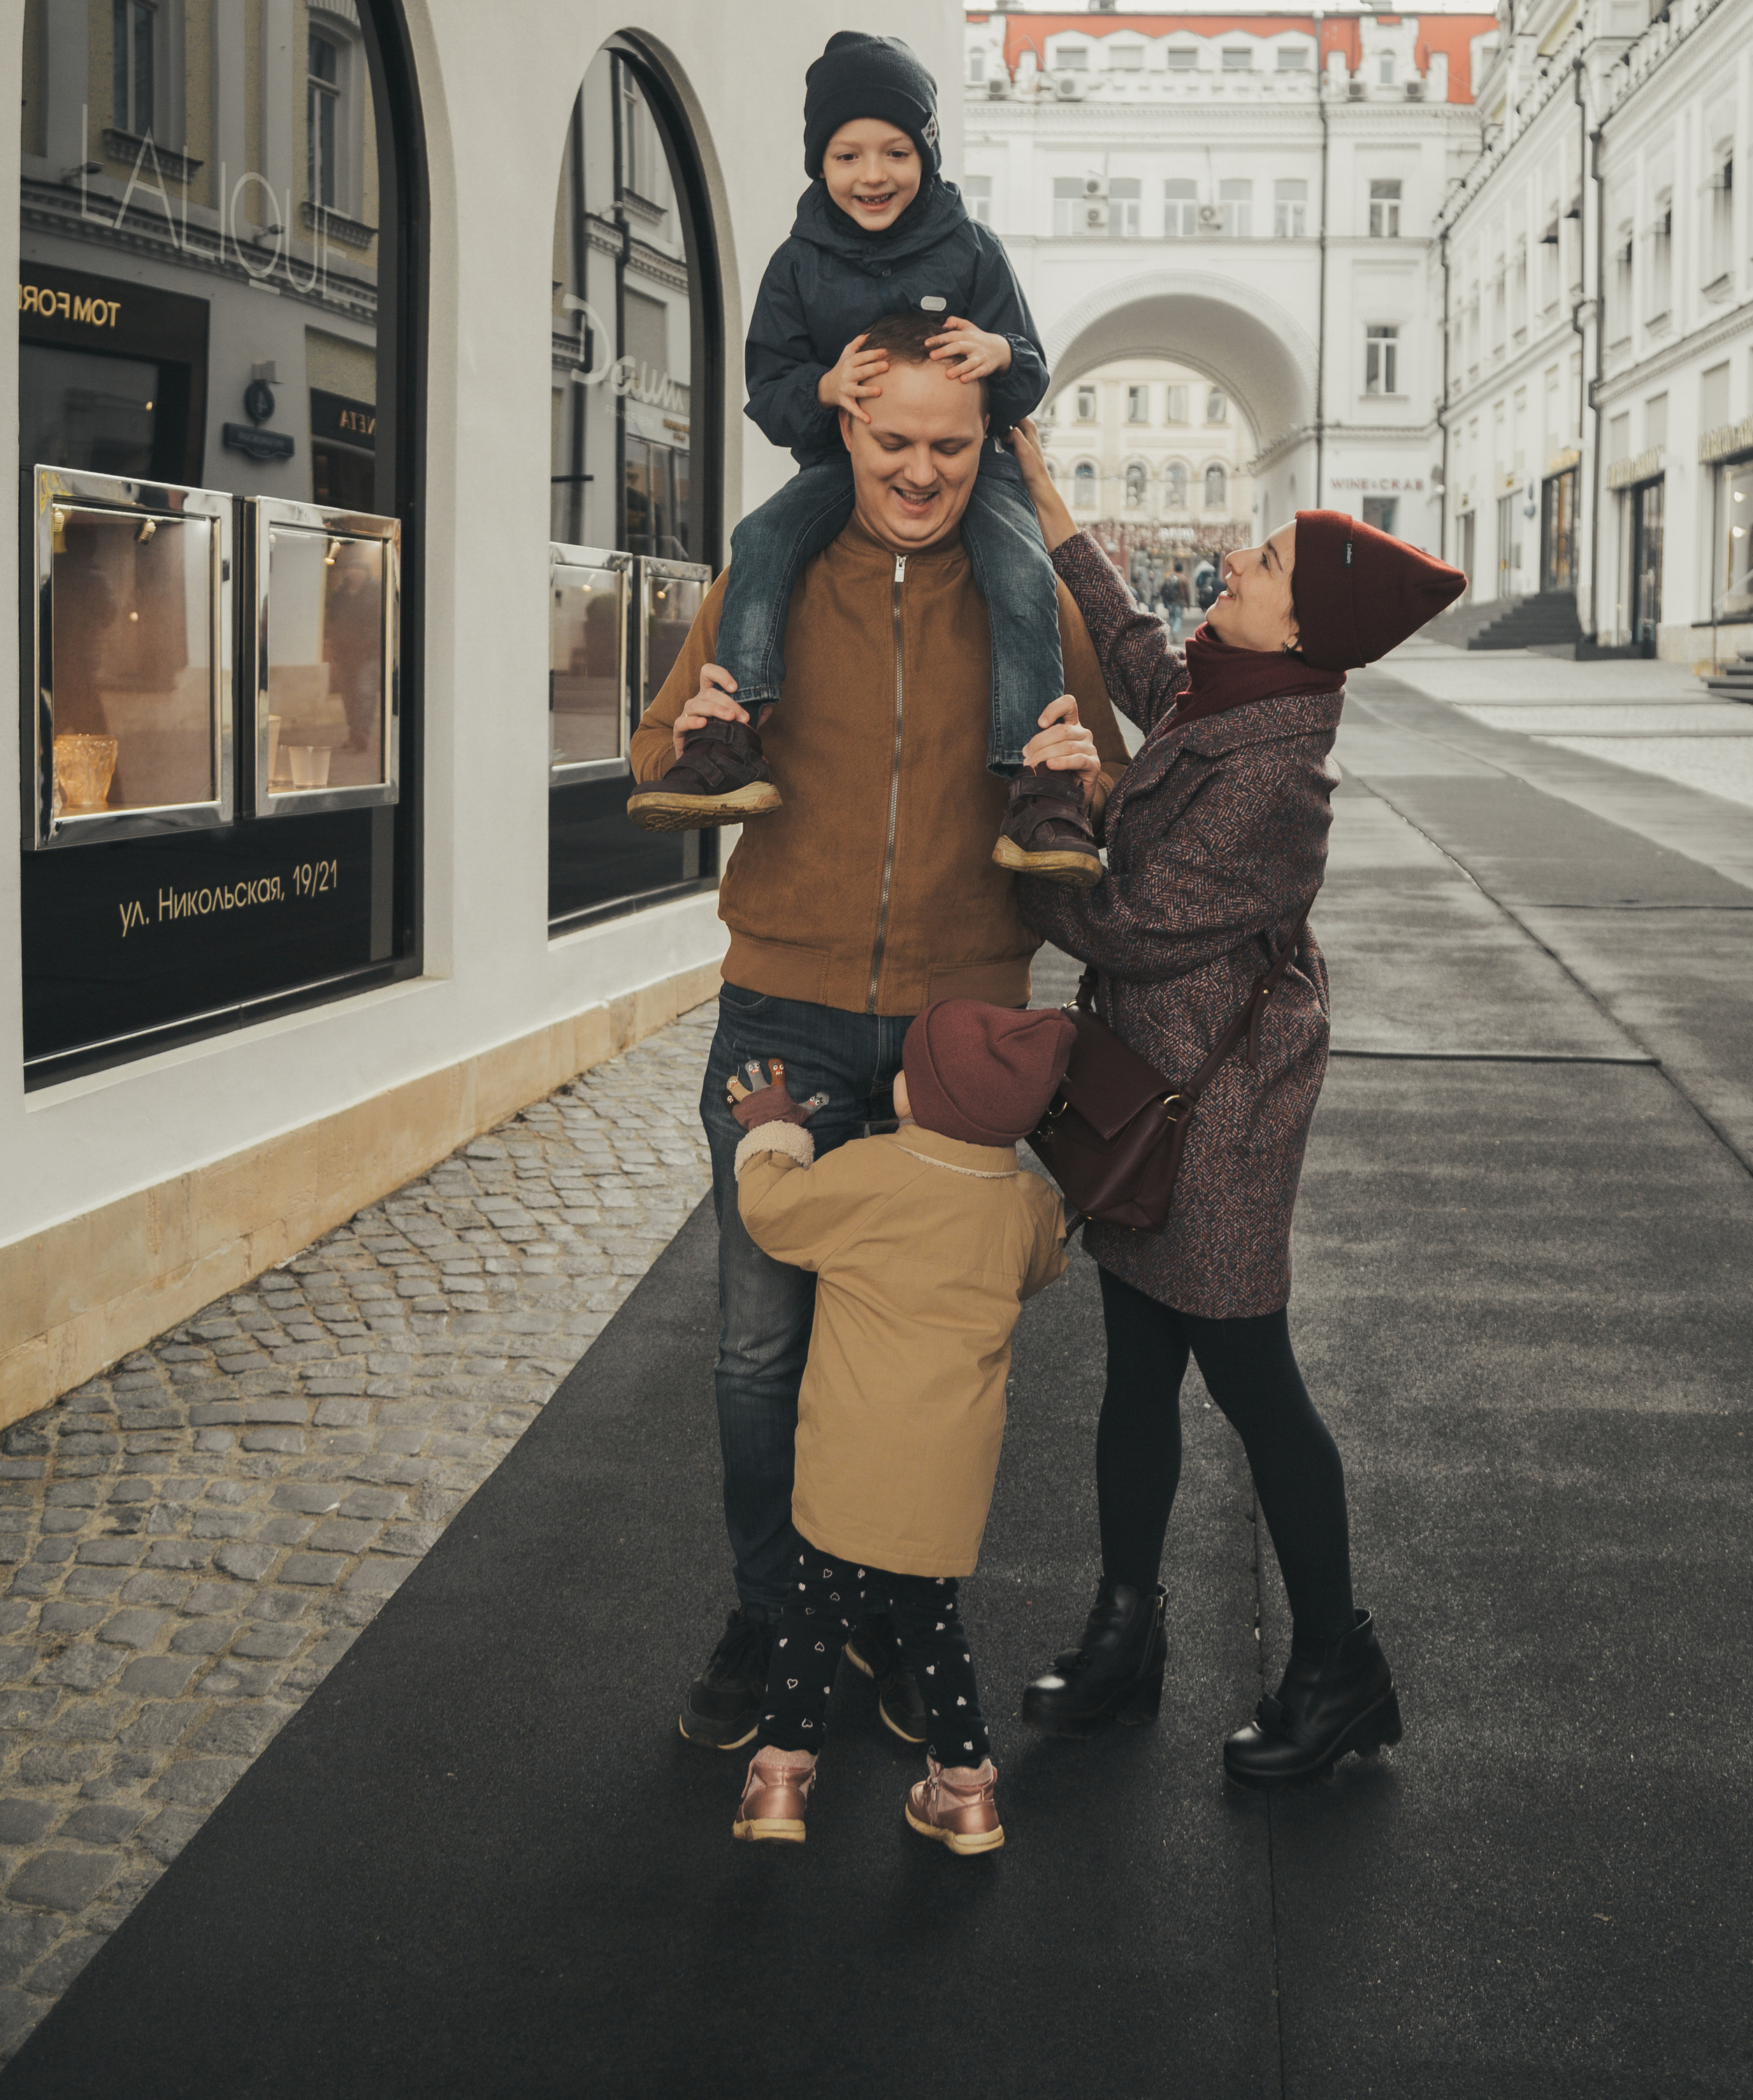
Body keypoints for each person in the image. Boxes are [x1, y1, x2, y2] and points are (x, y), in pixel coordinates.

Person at [626, 326, 1128, 1752]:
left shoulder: (1026, 596)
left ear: (986, 449)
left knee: (928, 1357)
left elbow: (1105, 810)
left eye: (949, 447)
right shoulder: (767, 581)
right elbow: (654, 756)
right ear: (844, 433)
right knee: (755, 1352)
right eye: (893, 441)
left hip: (956, 1026)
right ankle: (773, 1608)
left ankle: (898, 1612)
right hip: (778, 1012)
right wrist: (699, 729)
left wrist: (1085, 790)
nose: (919, 471)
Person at [1005, 421, 1464, 1788]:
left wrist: (1035, 816)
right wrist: (1045, 505)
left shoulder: (1275, 771)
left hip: (1216, 1116)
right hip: (1153, 1091)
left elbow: (1132, 927)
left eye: (1257, 561)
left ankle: (1335, 1669)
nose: (1227, 561)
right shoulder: (1222, 692)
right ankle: (1124, 1633)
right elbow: (1134, 655)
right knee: (1135, 1375)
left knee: (1256, 1386)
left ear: (1301, 619)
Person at [628, 31, 1089, 881]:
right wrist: (825, 390)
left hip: (974, 465)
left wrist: (1000, 355)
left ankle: (1039, 785)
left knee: (1023, 575)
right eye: (847, 154)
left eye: (895, 151)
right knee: (760, 541)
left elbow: (1028, 374)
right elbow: (766, 388)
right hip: (836, 464)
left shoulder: (974, 248)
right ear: (820, 162)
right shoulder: (797, 265)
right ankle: (732, 736)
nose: (871, 174)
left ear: (928, 153)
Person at [722, 1001, 1073, 1853]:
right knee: (931, 1625)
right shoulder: (1026, 1205)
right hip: (947, 1473)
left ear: (925, 1097)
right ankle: (966, 1794)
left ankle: (779, 1783)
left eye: (910, 1070)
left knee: (814, 1614)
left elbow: (771, 1214)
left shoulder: (870, 1171)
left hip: (848, 1455)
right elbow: (1039, 1267)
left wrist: (774, 1133)